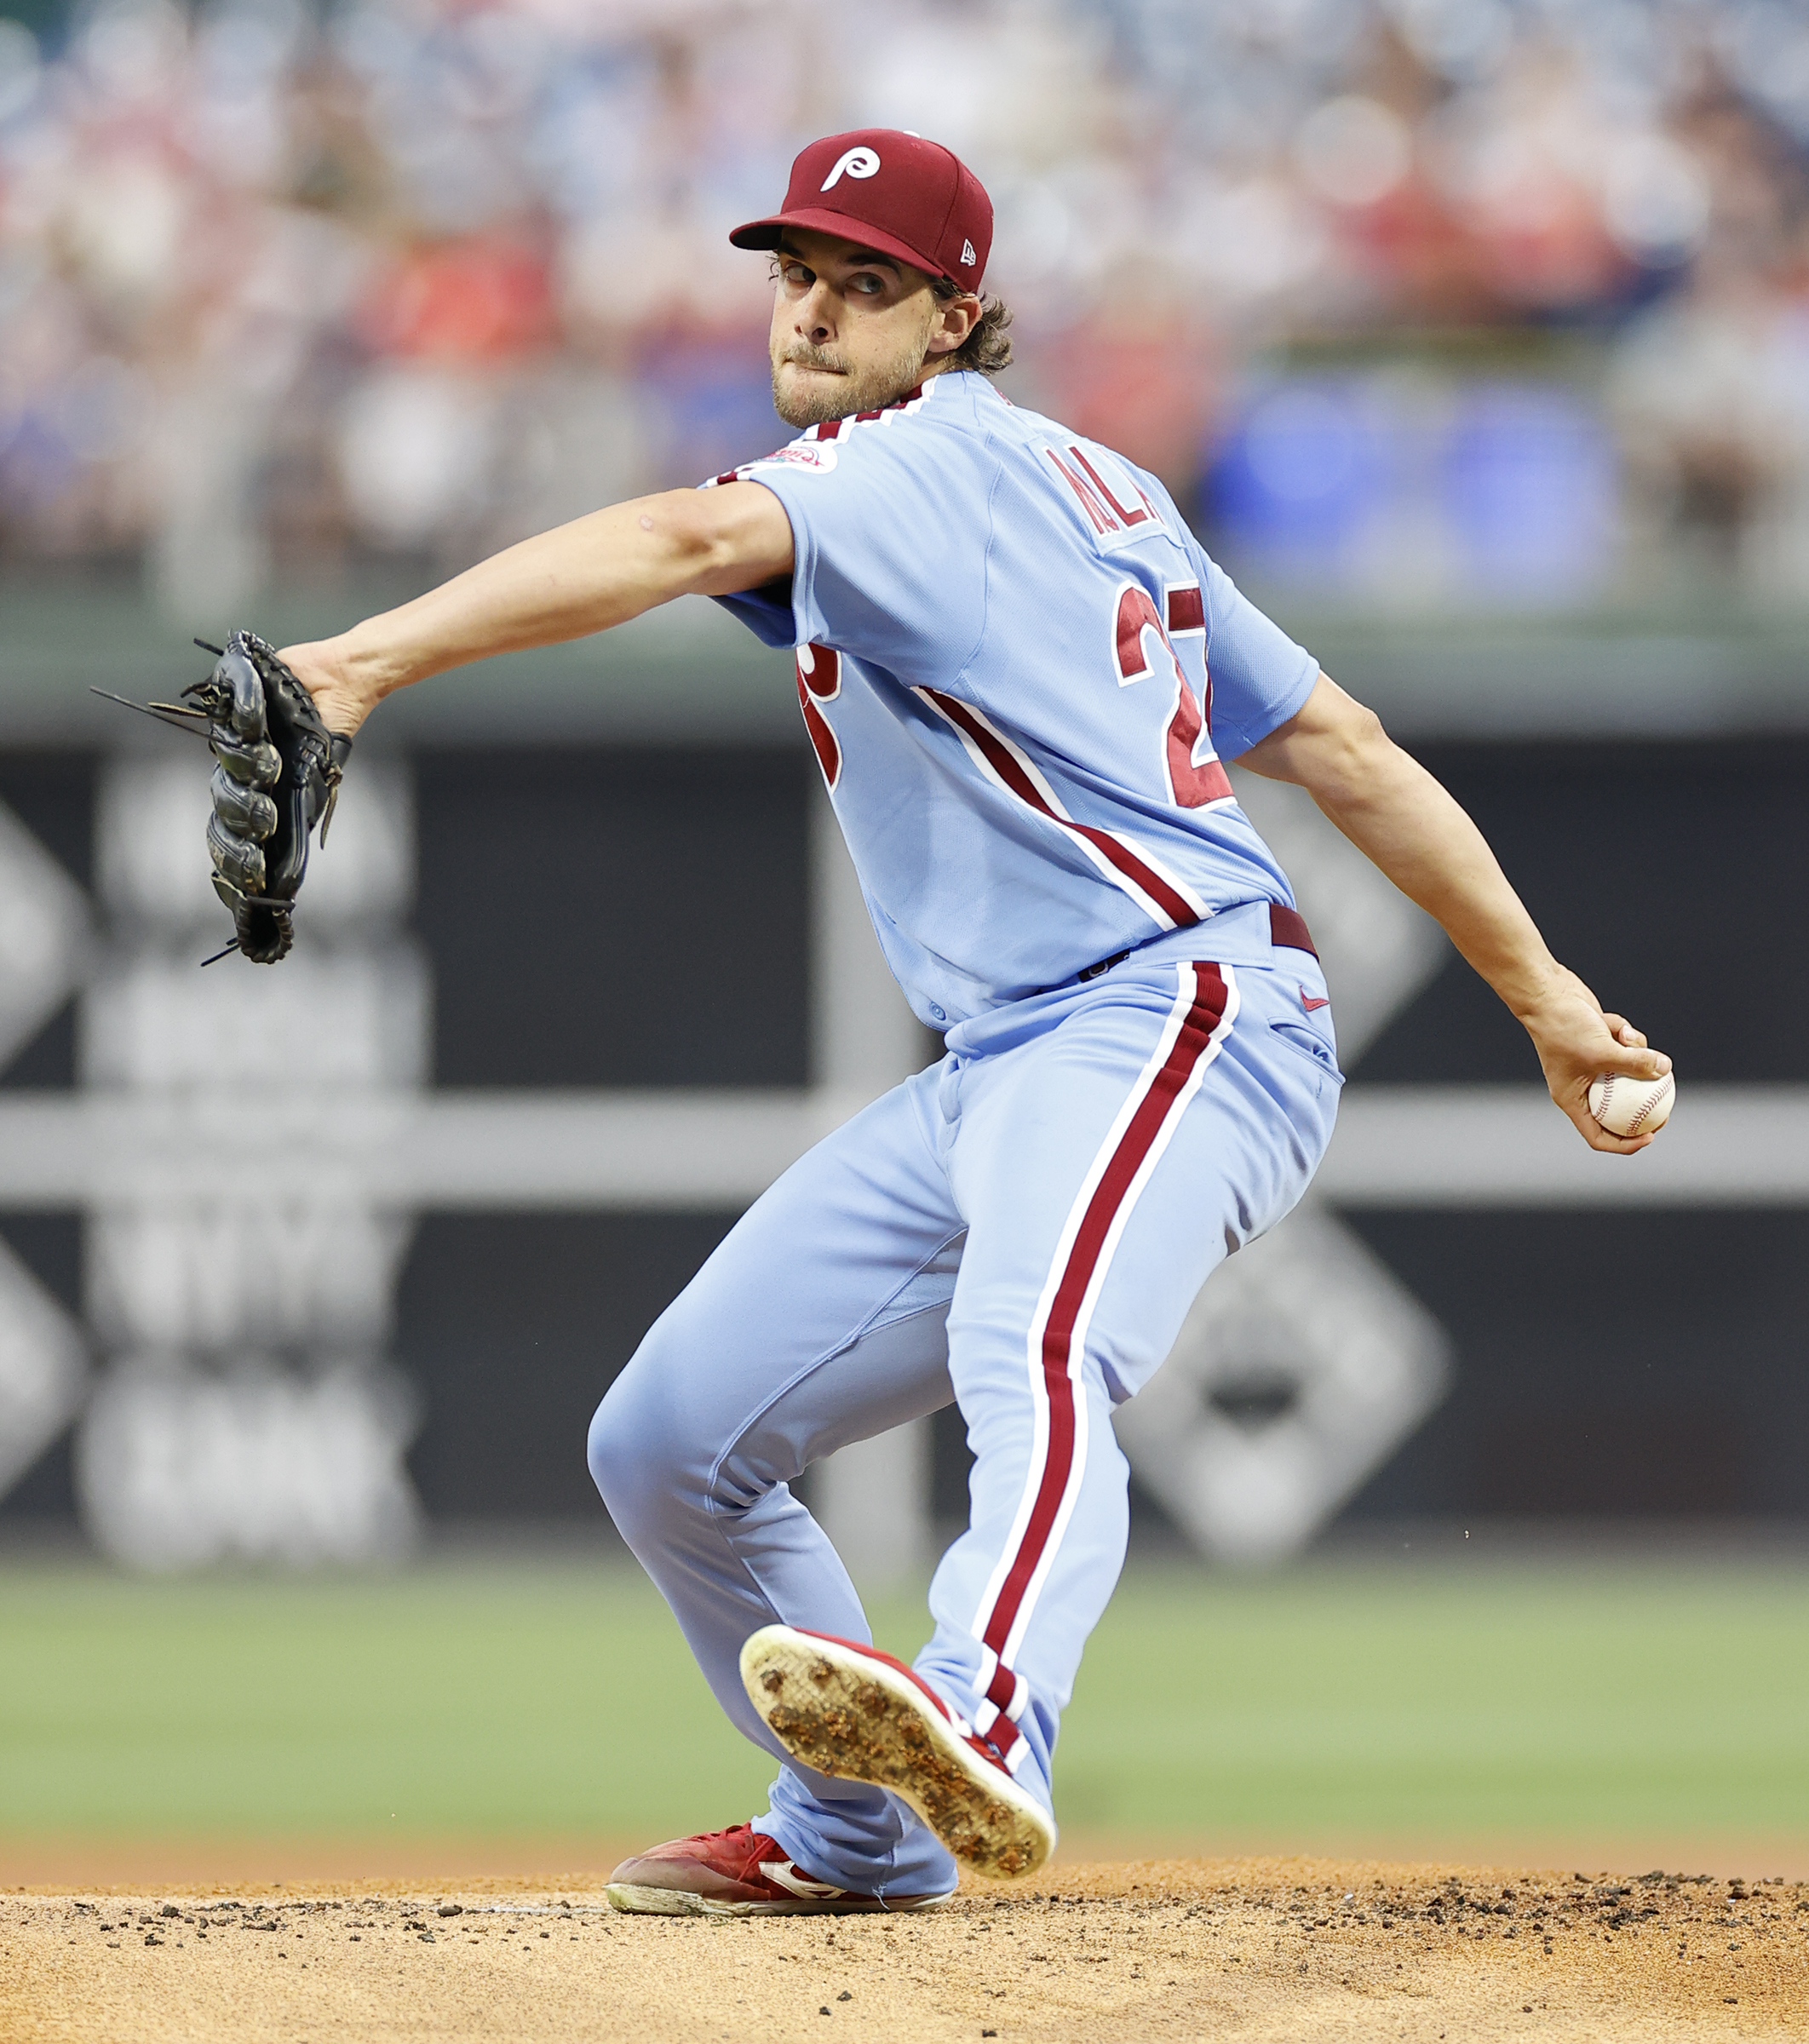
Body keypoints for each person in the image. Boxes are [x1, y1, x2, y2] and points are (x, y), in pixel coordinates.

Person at [280, 129, 1670, 1917]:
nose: (816, 308)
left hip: (1176, 1006)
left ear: (955, 317)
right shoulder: (1098, 487)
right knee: (670, 1438)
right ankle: (852, 1835)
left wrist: (357, 661)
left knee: (1037, 1344)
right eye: (797, 271)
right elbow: (1339, 746)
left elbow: (691, 534)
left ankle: (988, 1712)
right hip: (1015, 1057)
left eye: (868, 284)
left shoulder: (905, 469)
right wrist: (1549, 1004)